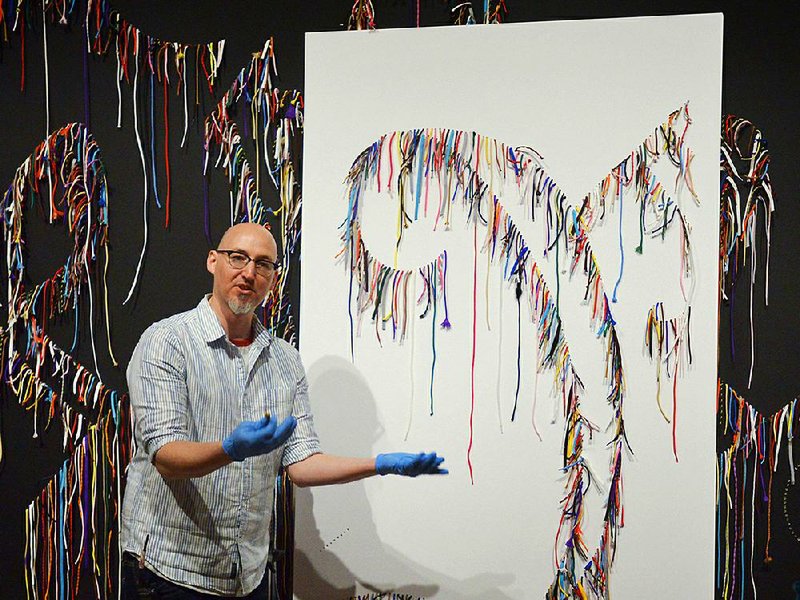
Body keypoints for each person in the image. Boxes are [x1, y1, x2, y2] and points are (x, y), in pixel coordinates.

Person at [120, 222, 447, 599]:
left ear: (273, 279)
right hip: (170, 573)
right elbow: (166, 456)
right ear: (213, 261)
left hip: (247, 577)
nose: (248, 273)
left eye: (263, 265)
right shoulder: (167, 342)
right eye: (238, 258)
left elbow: (302, 464)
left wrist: (380, 465)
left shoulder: (286, 362)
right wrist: (230, 449)